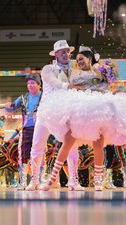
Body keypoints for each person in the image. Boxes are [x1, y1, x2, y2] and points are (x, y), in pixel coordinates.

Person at [37, 46, 126, 191]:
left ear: (90, 59)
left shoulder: (101, 72)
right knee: (67, 142)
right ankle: (51, 179)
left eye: (81, 59)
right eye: (77, 60)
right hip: (79, 111)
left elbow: (110, 82)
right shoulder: (74, 74)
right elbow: (72, 87)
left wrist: (105, 72)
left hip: (99, 112)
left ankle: (98, 180)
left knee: (98, 145)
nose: (78, 62)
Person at [25, 40, 85, 191]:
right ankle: (34, 180)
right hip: (46, 112)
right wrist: (69, 86)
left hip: (65, 113)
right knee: (37, 145)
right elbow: (54, 82)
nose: (66, 54)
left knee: (71, 146)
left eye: (67, 51)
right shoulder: (48, 69)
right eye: (62, 52)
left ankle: (73, 180)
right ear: (56, 54)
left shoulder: (75, 69)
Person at [4, 74, 42, 190]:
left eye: (33, 83)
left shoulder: (45, 96)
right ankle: (23, 181)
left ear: (39, 85)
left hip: (40, 129)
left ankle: (37, 181)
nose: (30, 85)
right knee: (23, 155)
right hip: (26, 129)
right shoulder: (23, 98)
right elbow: (11, 108)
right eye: (28, 83)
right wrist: (7, 106)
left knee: (39, 155)